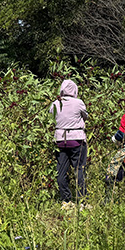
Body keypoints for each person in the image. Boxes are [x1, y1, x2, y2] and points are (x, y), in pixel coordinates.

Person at [48, 79, 88, 209]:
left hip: (60, 141)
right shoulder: (78, 103)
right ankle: (82, 201)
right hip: (77, 140)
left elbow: (51, 117)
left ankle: (66, 201)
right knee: (79, 170)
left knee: (61, 171)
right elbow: (85, 116)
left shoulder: (55, 104)